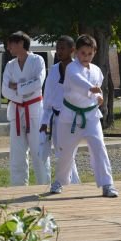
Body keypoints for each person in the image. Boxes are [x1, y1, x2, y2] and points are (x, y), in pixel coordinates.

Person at [50, 34, 118, 197]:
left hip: (91, 116)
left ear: (94, 52)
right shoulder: (71, 68)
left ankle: (107, 184)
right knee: (66, 151)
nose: (86, 57)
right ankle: (59, 180)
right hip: (70, 116)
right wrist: (92, 89)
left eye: (89, 54)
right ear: (76, 53)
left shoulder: (97, 71)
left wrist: (98, 97)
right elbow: (77, 81)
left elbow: (96, 89)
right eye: (82, 53)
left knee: (99, 147)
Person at [2, 31, 50, 186]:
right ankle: (18, 187)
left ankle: (44, 184)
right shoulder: (10, 65)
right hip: (16, 110)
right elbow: (5, 90)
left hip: (34, 109)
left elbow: (38, 83)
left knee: (38, 150)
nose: (9, 48)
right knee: (17, 153)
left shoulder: (38, 60)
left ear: (21, 43)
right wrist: (23, 93)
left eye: (11, 44)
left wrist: (17, 87)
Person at [39, 35, 80, 184]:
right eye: (57, 48)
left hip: (72, 117)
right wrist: (44, 121)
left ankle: (69, 184)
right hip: (56, 118)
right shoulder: (54, 70)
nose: (59, 51)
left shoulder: (78, 69)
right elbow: (48, 97)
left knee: (67, 153)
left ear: (72, 50)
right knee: (61, 153)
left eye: (62, 48)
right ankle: (71, 184)